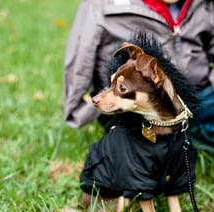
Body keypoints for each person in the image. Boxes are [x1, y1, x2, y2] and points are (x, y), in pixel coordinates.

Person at [63, 0, 214, 152]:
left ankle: (187, 138)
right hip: (131, 103)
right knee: (141, 155)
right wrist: (79, 110)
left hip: (196, 95)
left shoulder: (204, 4)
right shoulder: (101, 4)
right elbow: (80, 57)